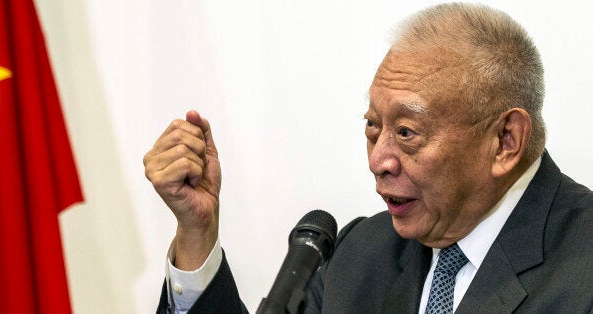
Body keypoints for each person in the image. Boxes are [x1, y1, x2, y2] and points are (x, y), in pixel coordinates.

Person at [144, 3, 592, 313]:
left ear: (506, 141)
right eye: (372, 127)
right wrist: (196, 231)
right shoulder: (359, 254)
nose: (379, 161)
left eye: (406, 132)